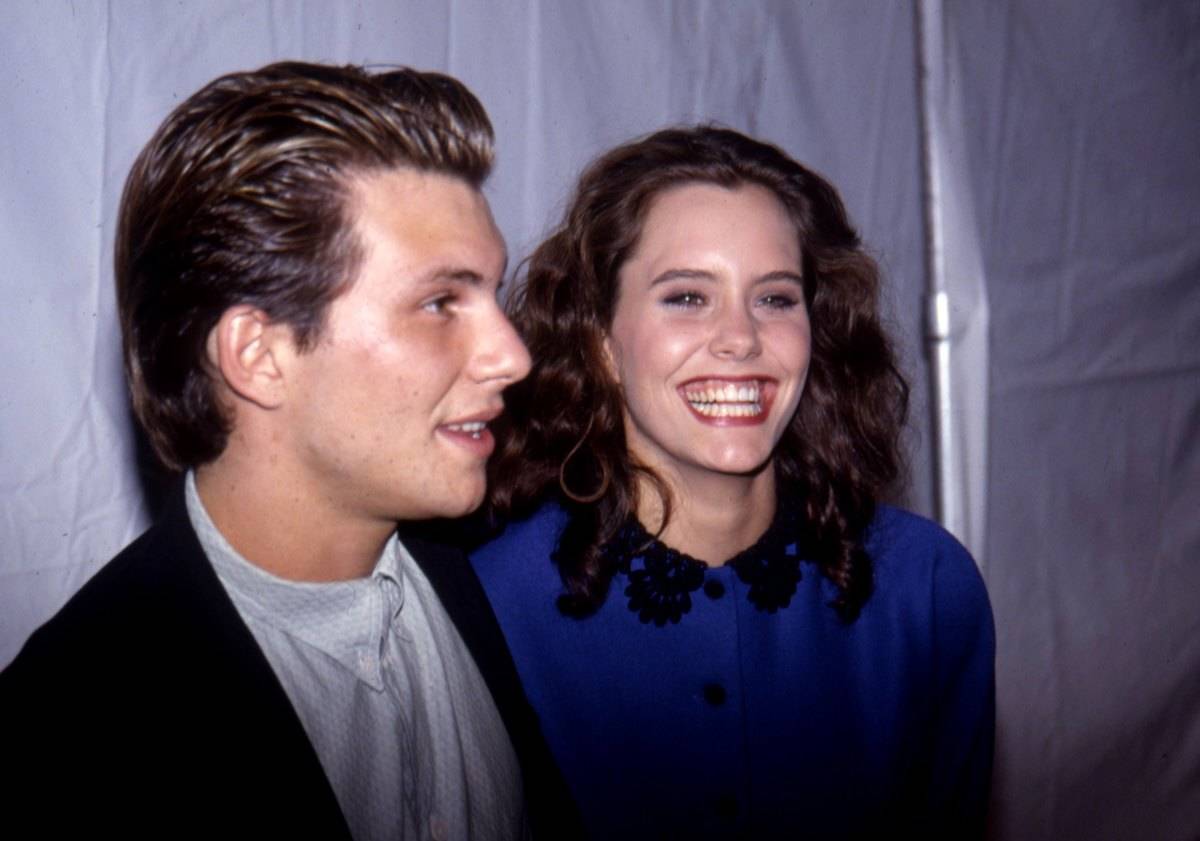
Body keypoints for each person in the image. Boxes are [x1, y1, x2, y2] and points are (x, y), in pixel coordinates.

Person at [0, 62, 580, 839]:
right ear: (259, 355)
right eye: (441, 302)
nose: (511, 355)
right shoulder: (72, 723)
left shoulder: (485, 571)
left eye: (491, 294)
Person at [471, 125, 995, 838]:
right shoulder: (484, 604)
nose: (741, 338)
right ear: (601, 343)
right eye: (687, 297)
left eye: (776, 298)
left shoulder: (926, 588)